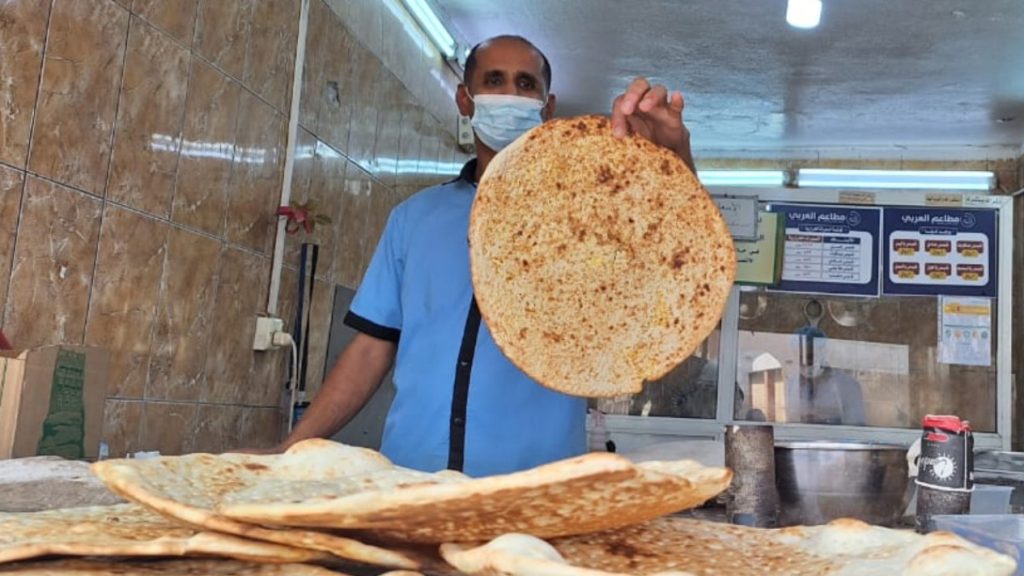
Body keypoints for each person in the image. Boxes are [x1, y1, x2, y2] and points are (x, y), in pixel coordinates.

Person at [263, 35, 696, 476]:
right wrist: (291, 448)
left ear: (546, 108)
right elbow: (371, 349)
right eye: (494, 80)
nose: (510, 94)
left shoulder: (588, 218)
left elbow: (671, 263)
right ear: (464, 100)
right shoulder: (413, 219)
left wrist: (674, 160)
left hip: (535, 490)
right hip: (411, 484)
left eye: (526, 84)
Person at [785, 326, 866, 425]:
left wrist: (826, 421)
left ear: (822, 354)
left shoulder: (848, 385)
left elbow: (857, 428)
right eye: (800, 357)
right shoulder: (791, 383)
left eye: (810, 357)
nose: (805, 363)